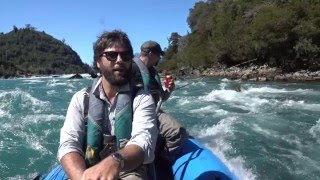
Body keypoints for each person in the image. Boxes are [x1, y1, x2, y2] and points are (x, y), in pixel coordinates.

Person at [58, 30, 158, 180]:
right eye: (111, 55)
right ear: (97, 62)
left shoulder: (142, 98)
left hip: (128, 170)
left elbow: (143, 143)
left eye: (125, 56)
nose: (119, 60)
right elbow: (69, 143)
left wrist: (115, 162)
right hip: (88, 170)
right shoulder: (80, 99)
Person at [132, 40, 188, 179]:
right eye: (158, 55)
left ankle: (160, 158)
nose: (159, 58)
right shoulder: (132, 69)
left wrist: (169, 90)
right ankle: (161, 164)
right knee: (178, 132)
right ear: (151, 54)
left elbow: (161, 98)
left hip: (154, 111)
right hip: (137, 113)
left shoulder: (152, 72)